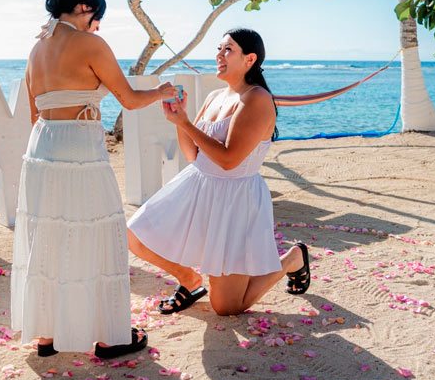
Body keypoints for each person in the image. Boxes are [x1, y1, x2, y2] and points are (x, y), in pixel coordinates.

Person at [12, 0, 177, 358]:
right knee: (94, 231)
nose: (97, 25)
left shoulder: (36, 49)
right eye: (96, 16)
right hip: (78, 146)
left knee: (49, 235)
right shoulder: (90, 43)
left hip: (43, 145)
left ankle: (47, 336)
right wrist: (162, 92)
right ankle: (108, 337)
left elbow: (34, 111)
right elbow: (130, 100)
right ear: (85, 9)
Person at [127, 28, 310, 317]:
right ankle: (189, 280)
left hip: (235, 198)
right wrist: (178, 119)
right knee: (134, 235)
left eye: (228, 50)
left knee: (226, 307)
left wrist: (187, 123)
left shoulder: (257, 99)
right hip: (198, 186)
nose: (219, 55)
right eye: (219, 48)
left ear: (250, 59)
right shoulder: (215, 96)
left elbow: (229, 160)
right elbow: (193, 155)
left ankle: (292, 259)